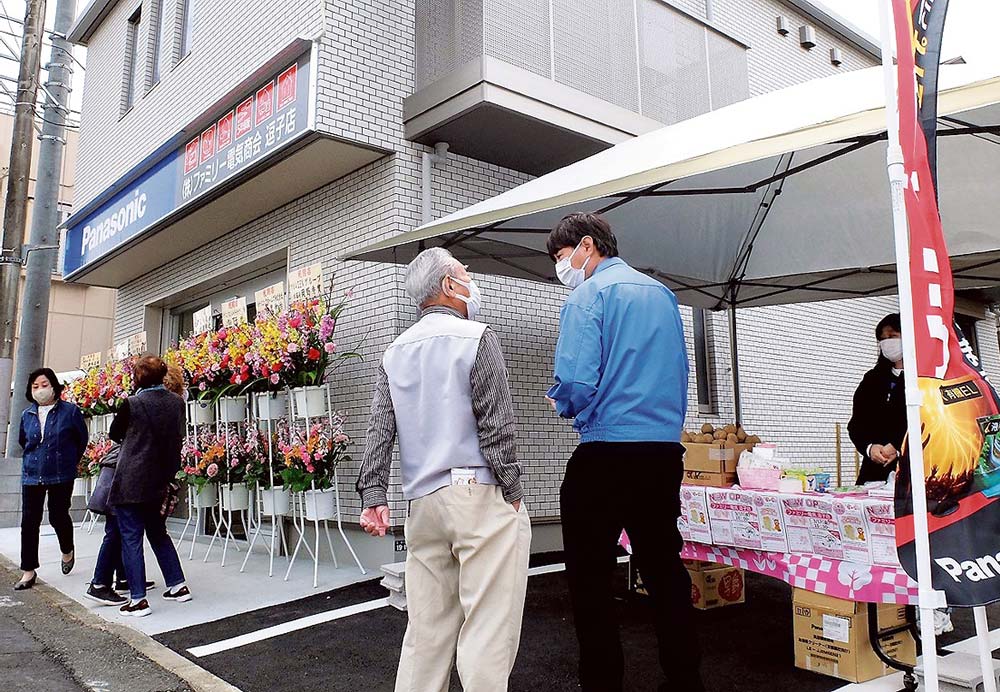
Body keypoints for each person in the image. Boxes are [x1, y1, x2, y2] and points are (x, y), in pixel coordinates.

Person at [357, 246, 530, 692]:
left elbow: (379, 430)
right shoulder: (477, 337)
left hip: (423, 503)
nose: (472, 278)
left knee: (426, 629)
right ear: (450, 286)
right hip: (479, 494)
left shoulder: (393, 353)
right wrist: (511, 488)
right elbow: (497, 424)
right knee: (488, 626)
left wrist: (374, 496)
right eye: (465, 272)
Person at [545, 212, 702, 691]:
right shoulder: (663, 295)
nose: (562, 267)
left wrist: (565, 405)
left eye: (561, 256)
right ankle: (684, 679)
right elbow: (678, 373)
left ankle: (603, 682)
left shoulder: (588, 295)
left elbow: (574, 379)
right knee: (663, 567)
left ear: (587, 246)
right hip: (660, 451)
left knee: (590, 578)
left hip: (606, 451)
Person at [86, 363, 188, 607]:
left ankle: (137, 599)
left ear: (138, 378)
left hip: (131, 479)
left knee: (130, 537)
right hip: (159, 478)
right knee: (157, 532)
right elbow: (178, 437)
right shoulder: (177, 403)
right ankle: (177, 584)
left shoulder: (133, 403)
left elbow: (114, 433)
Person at [14, 368, 88, 590]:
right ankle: (28, 570)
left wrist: (67, 460)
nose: (40, 390)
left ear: (54, 386)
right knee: (29, 521)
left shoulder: (70, 412)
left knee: (58, 516)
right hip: (32, 474)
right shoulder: (27, 414)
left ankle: (67, 550)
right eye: (35, 386)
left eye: (44, 384)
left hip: (61, 474)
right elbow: (23, 441)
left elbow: (80, 440)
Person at [849, 313, 906, 485]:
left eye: (893, 336)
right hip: (873, 472)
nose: (887, 343)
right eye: (882, 339)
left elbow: (929, 420)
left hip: (914, 469)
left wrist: (897, 446)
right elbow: (856, 424)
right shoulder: (872, 379)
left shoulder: (925, 378)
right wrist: (869, 448)